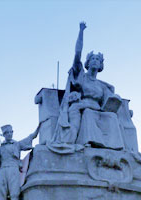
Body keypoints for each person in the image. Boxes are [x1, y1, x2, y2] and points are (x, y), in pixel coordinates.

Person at [51, 22, 124, 150]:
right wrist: (81, 31)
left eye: (98, 60)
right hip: (84, 107)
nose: (95, 61)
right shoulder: (82, 76)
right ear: (88, 63)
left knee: (112, 117)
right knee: (89, 114)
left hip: (99, 109)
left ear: (101, 65)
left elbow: (108, 101)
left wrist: (114, 100)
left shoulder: (103, 86)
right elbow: (77, 54)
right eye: (93, 59)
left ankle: (115, 146)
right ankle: (88, 142)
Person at [0, 124, 40, 200]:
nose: (10, 134)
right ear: (4, 134)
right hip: (2, 170)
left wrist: (39, 127)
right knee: (1, 194)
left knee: (14, 192)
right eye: (7, 133)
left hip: (14, 169)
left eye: (11, 132)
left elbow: (31, 137)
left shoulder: (17, 145)